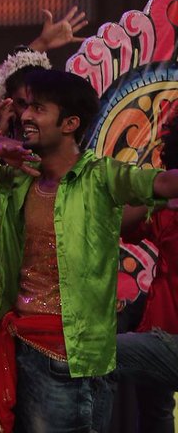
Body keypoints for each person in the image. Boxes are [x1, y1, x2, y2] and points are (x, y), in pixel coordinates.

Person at [0, 71, 178, 432]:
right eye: (26, 107)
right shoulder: (18, 173)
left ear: (70, 123)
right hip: (8, 335)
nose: (25, 117)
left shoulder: (101, 176)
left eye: (38, 108)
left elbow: (161, 183)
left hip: (67, 356)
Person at [117, 118, 178, 431]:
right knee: (156, 414)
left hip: (167, 341)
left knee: (94, 352)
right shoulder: (167, 209)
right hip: (158, 332)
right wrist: (163, 193)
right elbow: (124, 223)